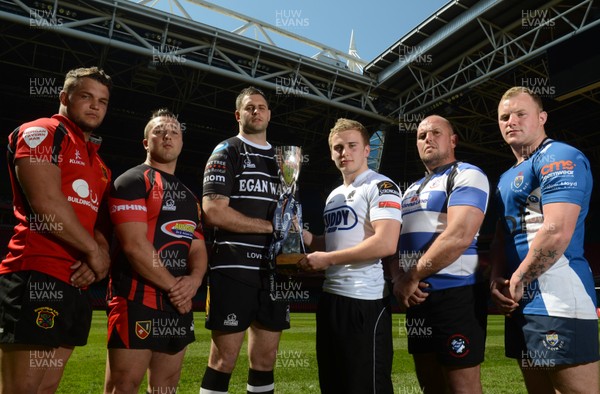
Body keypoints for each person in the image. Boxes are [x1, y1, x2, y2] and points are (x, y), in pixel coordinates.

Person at [0, 66, 113, 393]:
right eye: (86, 97)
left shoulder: (101, 164)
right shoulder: (43, 131)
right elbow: (46, 202)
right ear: (64, 97)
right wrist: (95, 254)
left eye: (103, 101)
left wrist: (99, 257)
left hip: (76, 284)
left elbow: (100, 227)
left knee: (47, 388)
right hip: (36, 273)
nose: (95, 106)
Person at [490, 86, 599, 393]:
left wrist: (519, 277)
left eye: (521, 114)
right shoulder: (505, 177)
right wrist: (496, 277)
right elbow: (501, 235)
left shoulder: (560, 156)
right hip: (519, 301)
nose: (512, 121)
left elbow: (557, 229)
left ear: (541, 118)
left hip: (559, 299)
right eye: (504, 117)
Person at [103, 109, 207, 394]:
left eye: (174, 131)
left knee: (166, 388)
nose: (168, 135)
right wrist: (177, 287)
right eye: (159, 131)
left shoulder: (190, 196)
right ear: (146, 142)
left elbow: (197, 247)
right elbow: (135, 246)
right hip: (137, 299)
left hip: (178, 305)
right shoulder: (131, 181)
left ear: (182, 143)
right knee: (122, 386)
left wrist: (196, 280)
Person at [298, 118, 402, 394]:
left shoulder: (382, 186)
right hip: (331, 298)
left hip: (363, 302)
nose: (345, 153)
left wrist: (328, 259)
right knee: (333, 383)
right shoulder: (334, 195)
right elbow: (331, 243)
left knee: (366, 385)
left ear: (367, 149)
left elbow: (386, 243)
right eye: (338, 147)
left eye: (352, 145)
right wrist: (306, 238)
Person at [199, 87, 289, 394]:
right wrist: (270, 226)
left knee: (266, 360)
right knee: (223, 359)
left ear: (269, 114)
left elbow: (289, 214)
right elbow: (213, 212)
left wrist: (294, 235)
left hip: (275, 272)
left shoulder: (284, 161)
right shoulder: (227, 150)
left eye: (262, 107)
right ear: (239, 115)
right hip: (233, 267)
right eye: (250, 108)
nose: (257, 112)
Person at [392, 115, 490, 393]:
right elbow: (393, 244)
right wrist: (398, 280)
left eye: (436, 133)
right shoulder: (409, 190)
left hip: (456, 295)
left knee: (463, 386)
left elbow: (459, 236)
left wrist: (411, 276)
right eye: (421, 136)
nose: (428, 139)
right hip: (416, 299)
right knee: (429, 384)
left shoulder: (467, 174)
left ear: (453, 140)